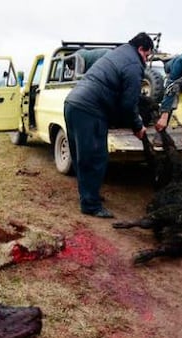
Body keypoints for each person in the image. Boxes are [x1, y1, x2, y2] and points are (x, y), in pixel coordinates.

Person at [64, 32, 154, 218]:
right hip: (89, 110)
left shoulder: (119, 52)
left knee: (82, 156)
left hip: (73, 104)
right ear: (141, 49)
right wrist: (137, 126)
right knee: (96, 158)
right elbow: (129, 103)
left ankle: (89, 195)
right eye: (147, 55)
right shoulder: (133, 64)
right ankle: (90, 205)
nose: (147, 59)